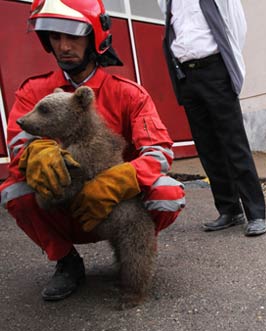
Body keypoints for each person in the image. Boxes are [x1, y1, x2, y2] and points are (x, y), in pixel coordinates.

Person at [0, 0, 186, 301]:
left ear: (95, 37)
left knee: (167, 194)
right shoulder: (35, 91)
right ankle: (66, 261)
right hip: (62, 202)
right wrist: (37, 152)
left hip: (115, 208)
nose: (63, 46)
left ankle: (132, 257)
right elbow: (18, 146)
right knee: (14, 192)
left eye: (73, 35)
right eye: (55, 37)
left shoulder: (128, 93)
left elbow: (159, 153)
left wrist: (119, 181)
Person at [159, 0, 266, 237]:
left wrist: (229, 67)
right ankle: (229, 209)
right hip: (187, 76)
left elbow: (237, 27)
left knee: (234, 145)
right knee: (207, 148)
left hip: (215, 70)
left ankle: (256, 213)